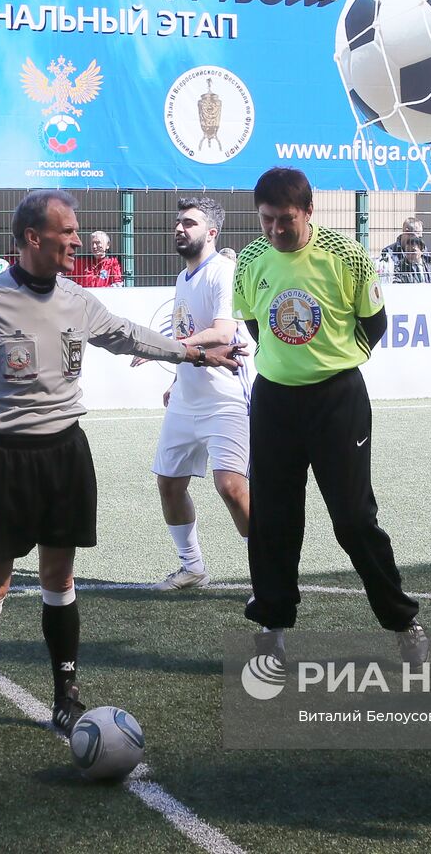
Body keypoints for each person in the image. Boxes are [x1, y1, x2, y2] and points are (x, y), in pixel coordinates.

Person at [0, 189, 242, 749]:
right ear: (33, 239)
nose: (75, 239)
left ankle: (67, 699)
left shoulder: (76, 298)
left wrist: (191, 353)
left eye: (76, 230)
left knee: (59, 579)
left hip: (65, 453)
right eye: (66, 231)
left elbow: (127, 336)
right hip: (3, 459)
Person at [232, 167, 428, 666]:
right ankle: (273, 625)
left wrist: (334, 363)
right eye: (267, 220)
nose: (276, 230)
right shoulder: (251, 259)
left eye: (287, 220)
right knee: (273, 520)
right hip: (274, 402)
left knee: (353, 518)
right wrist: (286, 363)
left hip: (337, 402)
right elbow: (254, 321)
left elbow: (374, 323)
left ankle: (402, 621)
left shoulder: (347, 257)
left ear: (309, 212)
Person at [151, 198, 252, 590]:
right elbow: (190, 336)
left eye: (189, 223)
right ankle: (192, 567)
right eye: (178, 222)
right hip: (186, 399)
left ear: (211, 233)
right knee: (169, 483)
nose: (179, 228)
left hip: (225, 399)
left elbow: (224, 333)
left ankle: (267, 572)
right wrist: (177, 379)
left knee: (231, 487)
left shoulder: (223, 271)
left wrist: (166, 349)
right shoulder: (183, 277)